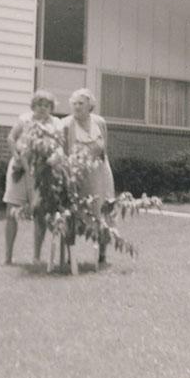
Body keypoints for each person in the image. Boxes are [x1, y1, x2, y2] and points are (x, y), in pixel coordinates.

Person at [2, 89, 62, 265]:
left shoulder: (56, 123)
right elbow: (11, 139)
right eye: (39, 105)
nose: (42, 108)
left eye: (46, 105)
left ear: (51, 107)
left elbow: (59, 144)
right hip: (19, 170)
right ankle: (8, 256)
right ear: (33, 106)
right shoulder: (25, 119)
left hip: (42, 171)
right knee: (12, 211)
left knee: (40, 213)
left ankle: (36, 256)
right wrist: (16, 156)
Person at [63, 88, 115, 266]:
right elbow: (63, 153)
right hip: (77, 175)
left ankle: (102, 255)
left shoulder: (100, 122)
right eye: (74, 104)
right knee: (73, 213)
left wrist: (106, 178)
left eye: (81, 104)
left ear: (90, 106)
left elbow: (104, 151)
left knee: (103, 211)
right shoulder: (66, 124)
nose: (77, 107)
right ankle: (71, 257)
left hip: (100, 174)